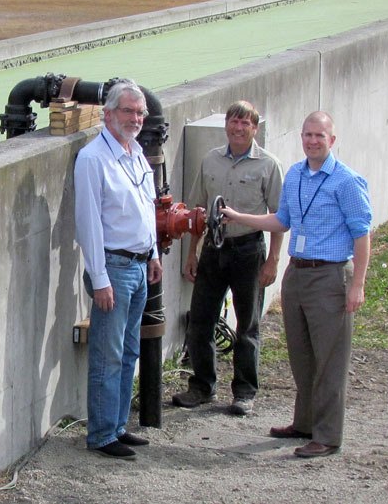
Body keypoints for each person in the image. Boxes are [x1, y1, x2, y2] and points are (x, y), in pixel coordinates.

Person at [221, 111, 372, 457]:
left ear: (332, 140)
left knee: (330, 360)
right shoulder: (296, 176)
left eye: (320, 136)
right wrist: (238, 216)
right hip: (298, 274)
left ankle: (327, 435)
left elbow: (362, 234)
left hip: (330, 275)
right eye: (307, 135)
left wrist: (357, 285)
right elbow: (281, 220)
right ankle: (304, 422)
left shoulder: (347, 181)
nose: (313, 141)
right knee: (301, 355)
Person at [172, 100, 284, 416]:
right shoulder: (211, 161)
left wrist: (272, 260)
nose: (238, 128)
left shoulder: (268, 165)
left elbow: (279, 217)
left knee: (248, 325)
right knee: (201, 321)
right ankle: (202, 387)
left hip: (249, 251)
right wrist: (192, 252)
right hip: (212, 251)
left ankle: (244, 392)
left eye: (245, 124)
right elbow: (198, 211)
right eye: (234, 122)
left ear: (255, 128)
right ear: (226, 126)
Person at [74, 79, 163, 460]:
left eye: (141, 112)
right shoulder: (94, 159)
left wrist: (155, 253)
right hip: (113, 266)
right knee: (107, 355)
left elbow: (147, 206)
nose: (137, 118)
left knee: (128, 352)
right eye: (128, 111)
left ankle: (118, 424)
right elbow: (88, 222)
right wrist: (100, 278)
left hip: (140, 265)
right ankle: (101, 433)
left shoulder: (135, 152)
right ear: (108, 114)